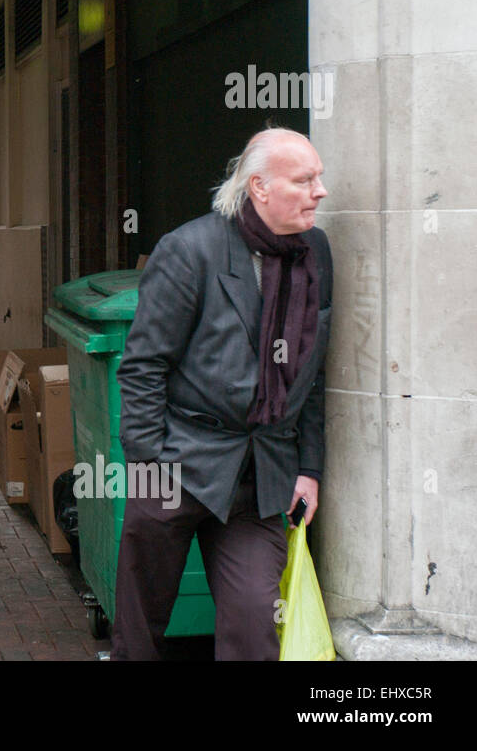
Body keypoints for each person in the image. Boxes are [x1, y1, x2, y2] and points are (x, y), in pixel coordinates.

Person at [111, 127, 333, 660]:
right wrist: (148, 460)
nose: (319, 191)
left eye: (318, 179)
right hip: (179, 463)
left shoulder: (316, 253)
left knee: (256, 622)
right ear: (259, 187)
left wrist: (310, 467)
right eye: (305, 180)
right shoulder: (190, 251)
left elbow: (313, 373)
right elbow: (143, 365)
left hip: (261, 476)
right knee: (141, 628)